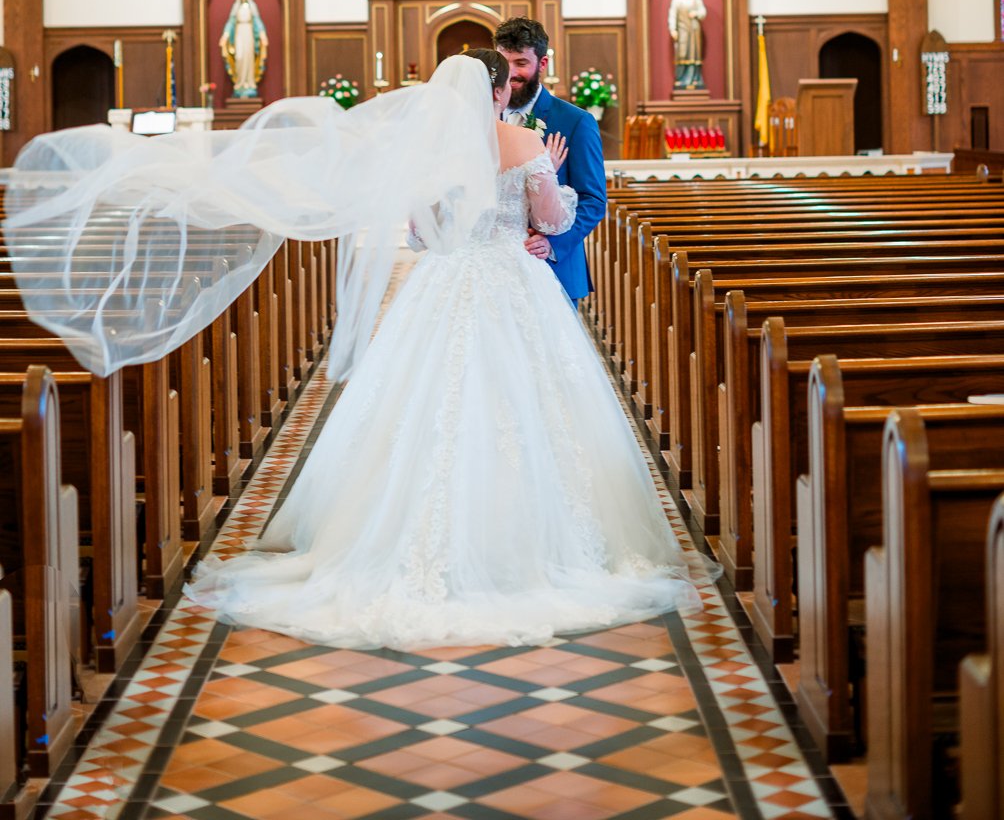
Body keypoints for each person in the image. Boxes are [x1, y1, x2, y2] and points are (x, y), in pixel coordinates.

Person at [4, 53, 709, 651]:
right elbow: (554, 222)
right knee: (531, 404)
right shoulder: (524, 146)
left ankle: (380, 545)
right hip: (510, 285)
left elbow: (420, 241)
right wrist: (545, 178)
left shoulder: (429, 158)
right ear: (501, 91)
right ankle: (540, 548)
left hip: (442, 287)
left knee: (420, 410)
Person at [494, 16, 606, 305]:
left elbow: (593, 200)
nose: (511, 73)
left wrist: (552, 243)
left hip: (554, 269)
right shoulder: (482, 120)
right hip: (495, 272)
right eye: (505, 63)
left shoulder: (575, 122)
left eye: (521, 63)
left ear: (542, 64)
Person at [219, 0, 268, 98]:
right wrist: (225, 36)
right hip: (239, 34)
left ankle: (249, 83)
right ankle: (240, 83)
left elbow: (258, 22)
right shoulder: (236, 8)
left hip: (248, 33)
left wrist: (262, 35)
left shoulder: (252, 7)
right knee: (239, 57)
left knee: (248, 57)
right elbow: (230, 23)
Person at [668, 0, 707, 91]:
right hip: (682, 30)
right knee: (682, 53)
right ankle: (682, 78)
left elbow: (703, 12)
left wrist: (696, 13)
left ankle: (695, 78)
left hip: (694, 30)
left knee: (694, 54)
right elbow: (672, 14)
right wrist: (673, 29)